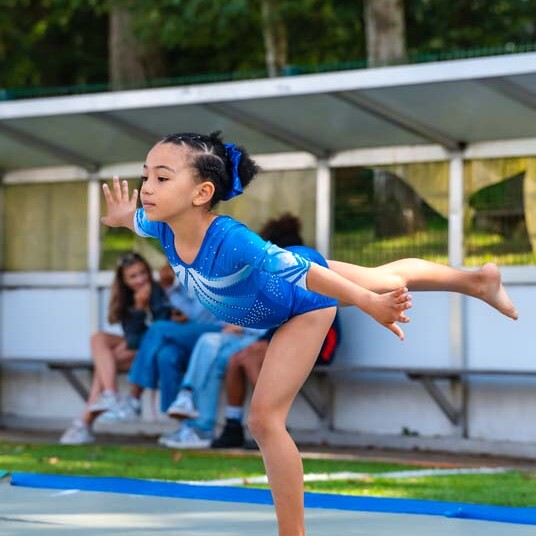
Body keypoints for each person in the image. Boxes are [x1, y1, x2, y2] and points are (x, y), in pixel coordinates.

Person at [100, 131, 518, 536]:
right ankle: (477, 281)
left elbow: (306, 274)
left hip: (302, 301)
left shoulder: (230, 239)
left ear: (202, 193)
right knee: (384, 276)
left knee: (265, 419)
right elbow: (135, 221)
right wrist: (121, 217)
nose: (147, 187)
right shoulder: (161, 226)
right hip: (278, 299)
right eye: (145, 176)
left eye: (162, 178)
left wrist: (368, 302)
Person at [59, 252, 170, 445]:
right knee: (98, 339)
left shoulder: (157, 292)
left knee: (104, 365)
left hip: (153, 352)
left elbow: (158, 334)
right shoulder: (125, 299)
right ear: (124, 281)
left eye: (143, 273)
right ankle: (109, 396)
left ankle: (86, 420)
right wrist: (137, 307)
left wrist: (141, 307)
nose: (140, 279)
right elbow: (132, 337)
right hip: (135, 349)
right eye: (133, 276)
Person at [102, 263, 223, 421]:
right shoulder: (189, 276)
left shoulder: (216, 272)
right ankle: (182, 419)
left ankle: (134, 398)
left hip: (218, 332)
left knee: (158, 329)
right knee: (166, 355)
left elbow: (196, 314)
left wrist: (168, 290)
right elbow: (187, 308)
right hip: (193, 333)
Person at [159, 325, 265, 448]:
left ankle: (188, 394)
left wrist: (245, 328)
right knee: (209, 353)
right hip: (241, 335)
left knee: (208, 344)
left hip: (263, 336)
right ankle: (201, 428)